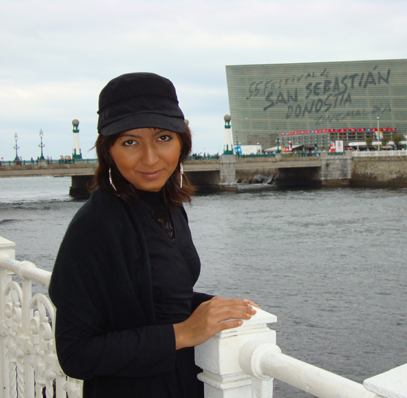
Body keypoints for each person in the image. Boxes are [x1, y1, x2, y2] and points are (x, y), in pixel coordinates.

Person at [48, 72, 257, 398]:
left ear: (182, 142)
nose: (150, 158)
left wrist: (212, 306)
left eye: (163, 138)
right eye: (130, 142)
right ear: (109, 151)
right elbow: (76, 354)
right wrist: (182, 333)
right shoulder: (94, 226)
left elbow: (153, 299)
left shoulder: (167, 205)